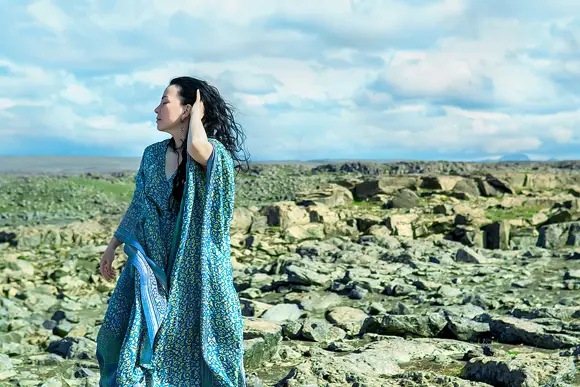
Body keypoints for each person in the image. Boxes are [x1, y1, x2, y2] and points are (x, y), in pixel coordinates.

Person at [96, 76, 250, 386]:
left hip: (196, 268)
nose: (156, 108)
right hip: (153, 263)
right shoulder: (152, 154)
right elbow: (139, 204)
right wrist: (112, 247)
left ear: (188, 109)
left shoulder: (213, 153)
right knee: (122, 332)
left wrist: (197, 115)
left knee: (200, 340)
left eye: (165, 102)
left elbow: (195, 145)